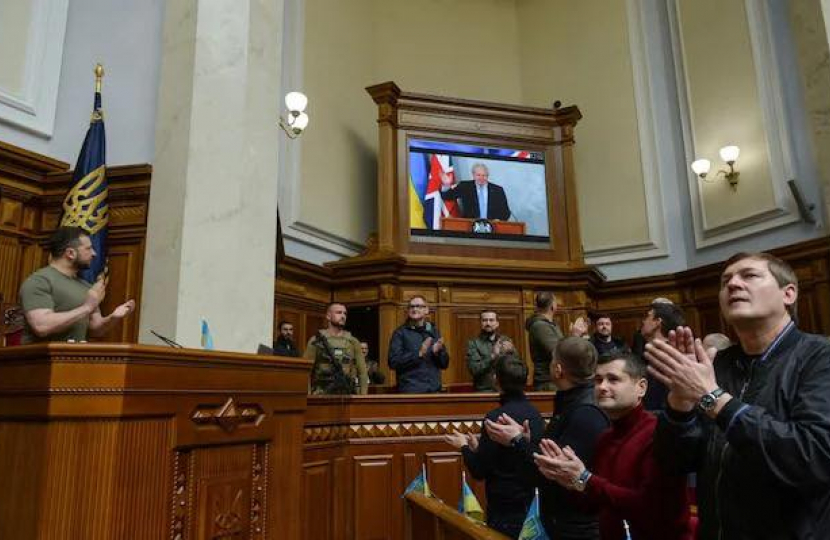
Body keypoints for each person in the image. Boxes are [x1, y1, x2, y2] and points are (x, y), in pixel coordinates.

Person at [647, 252, 830, 538]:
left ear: (789, 294)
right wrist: (680, 403)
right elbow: (674, 463)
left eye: (749, 275)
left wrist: (713, 398)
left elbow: (814, 457)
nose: (732, 284)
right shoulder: (716, 365)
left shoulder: (820, 356)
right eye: (725, 281)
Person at [534, 353, 692, 540]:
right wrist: (569, 479)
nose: (602, 387)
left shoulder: (658, 434)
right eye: (598, 380)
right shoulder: (606, 438)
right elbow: (593, 506)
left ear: (641, 387)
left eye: (613, 379)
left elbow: (650, 507)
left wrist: (585, 479)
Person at [486, 337, 609, 539]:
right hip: (562, 520)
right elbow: (550, 453)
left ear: (558, 369)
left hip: (574, 528)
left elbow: (553, 472)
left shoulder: (585, 411)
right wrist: (527, 440)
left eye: (552, 360)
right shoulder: (572, 401)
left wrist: (516, 441)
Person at [445, 355, 545, 538]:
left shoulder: (495, 417)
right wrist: (478, 448)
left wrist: (464, 447)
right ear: (526, 380)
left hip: (503, 508)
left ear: (496, 380)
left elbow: (479, 470)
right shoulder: (536, 416)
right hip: (531, 506)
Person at [19, 226, 135, 344]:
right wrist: (86, 308)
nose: (94, 253)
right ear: (70, 253)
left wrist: (114, 317)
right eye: (88, 248)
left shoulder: (85, 285)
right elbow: (41, 326)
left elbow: (96, 329)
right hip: (42, 360)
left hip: (75, 359)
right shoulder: (40, 281)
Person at [304, 302, 368, 395]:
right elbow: (306, 371)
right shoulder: (316, 341)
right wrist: (308, 397)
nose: (343, 316)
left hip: (347, 394)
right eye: (338, 312)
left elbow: (362, 373)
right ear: (328, 316)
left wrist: (363, 397)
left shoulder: (353, 342)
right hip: (321, 394)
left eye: (344, 313)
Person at [388, 295, 449, 393]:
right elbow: (393, 362)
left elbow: (444, 364)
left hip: (434, 390)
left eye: (418, 306)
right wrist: (418, 354)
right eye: (411, 307)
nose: (414, 309)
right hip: (411, 392)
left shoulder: (433, 331)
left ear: (426, 310)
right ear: (408, 311)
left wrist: (438, 352)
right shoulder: (400, 333)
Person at [638, 301, 685, 410]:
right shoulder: (657, 353)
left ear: (657, 322)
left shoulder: (666, 357)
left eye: (648, 317)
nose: (643, 321)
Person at [440, 163, 511, 220]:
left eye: (484, 175)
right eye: (478, 175)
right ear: (473, 175)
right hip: (470, 227)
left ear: (488, 176)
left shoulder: (498, 190)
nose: (481, 178)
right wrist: (446, 185)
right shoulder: (465, 186)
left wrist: (498, 220)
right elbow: (447, 197)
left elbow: (506, 213)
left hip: (492, 228)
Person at [467, 310, 516, 392]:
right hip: (484, 391)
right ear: (481, 323)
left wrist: (511, 353)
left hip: (505, 390)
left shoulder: (506, 340)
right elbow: (474, 369)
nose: (488, 323)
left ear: (497, 323)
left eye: (491, 320)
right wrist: (492, 356)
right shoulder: (473, 344)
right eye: (484, 320)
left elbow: (517, 367)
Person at [526, 292, 564, 390]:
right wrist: (575, 336)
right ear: (552, 306)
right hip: (547, 382)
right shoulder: (540, 326)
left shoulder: (550, 324)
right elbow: (558, 352)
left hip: (554, 379)